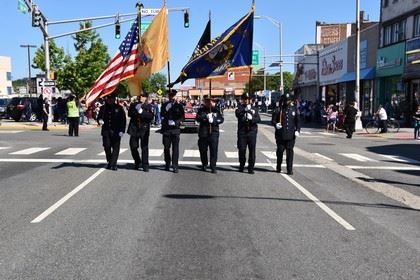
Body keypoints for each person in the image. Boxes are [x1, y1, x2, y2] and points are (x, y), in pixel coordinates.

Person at [271, 93, 300, 175]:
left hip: (291, 135)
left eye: (288, 100)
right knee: (280, 151)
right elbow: (273, 121)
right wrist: (275, 124)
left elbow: (298, 122)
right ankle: (278, 166)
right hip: (281, 135)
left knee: (290, 152)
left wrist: (297, 130)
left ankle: (289, 169)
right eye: (286, 100)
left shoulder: (294, 109)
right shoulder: (278, 110)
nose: (287, 102)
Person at [97, 94, 126, 171]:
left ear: (114, 99)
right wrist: (99, 120)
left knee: (116, 148)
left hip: (116, 131)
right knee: (107, 146)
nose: (110, 100)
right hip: (106, 130)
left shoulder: (119, 108)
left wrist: (122, 130)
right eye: (109, 98)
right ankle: (110, 161)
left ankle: (113, 164)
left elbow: (123, 120)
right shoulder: (103, 108)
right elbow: (99, 117)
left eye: (112, 98)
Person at [195, 96, 224, 173]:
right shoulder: (201, 110)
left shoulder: (217, 110)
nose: (209, 103)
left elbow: (221, 119)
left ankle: (213, 166)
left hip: (214, 132)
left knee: (213, 150)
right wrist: (205, 117)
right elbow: (197, 118)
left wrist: (214, 120)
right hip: (203, 132)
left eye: (210, 101)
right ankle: (204, 164)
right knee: (203, 150)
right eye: (207, 101)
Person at [127, 95, 154, 172]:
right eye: (140, 96)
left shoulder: (149, 106)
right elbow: (129, 114)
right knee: (133, 146)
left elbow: (151, 116)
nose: (141, 98)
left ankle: (145, 164)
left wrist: (142, 112)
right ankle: (138, 161)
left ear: (145, 98)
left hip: (144, 129)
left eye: (143, 97)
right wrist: (135, 110)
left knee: (144, 147)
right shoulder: (133, 105)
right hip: (134, 128)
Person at [235, 94, 261, 174]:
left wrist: (252, 118)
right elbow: (238, 114)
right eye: (245, 99)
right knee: (242, 150)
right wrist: (245, 110)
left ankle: (251, 167)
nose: (247, 101)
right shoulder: (240, 108)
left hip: (252, 132)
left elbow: (258, 119)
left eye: (248, 99)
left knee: (252, 151)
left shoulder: (255, 109)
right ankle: (242, 165)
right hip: (242, 132)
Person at [161, 89, 185, 173]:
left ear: (175, 96)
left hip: (175, 129)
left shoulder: (179, 106)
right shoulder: (164, 105)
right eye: (170, 96)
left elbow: (182, 117)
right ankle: (167, 163)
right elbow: (161, 115)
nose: (171, 97)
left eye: (173, 96)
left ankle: (175, 165)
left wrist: (176, 122)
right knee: (166, 147)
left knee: (175, 148)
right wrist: (166, 110)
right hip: (166, 129)